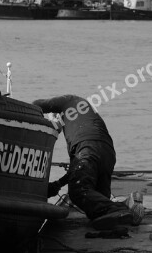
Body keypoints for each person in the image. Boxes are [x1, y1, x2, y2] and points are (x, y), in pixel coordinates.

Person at [33, 94, 141, 230]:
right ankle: (126, 206)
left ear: (55, 113)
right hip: (107, 153)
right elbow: (78, 169)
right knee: (96, 209)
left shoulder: (69, 102)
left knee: (78, 191)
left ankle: (122, 208)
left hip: (89, 148)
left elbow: (37, 103)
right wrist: (58, 184)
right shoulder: (84, 117)